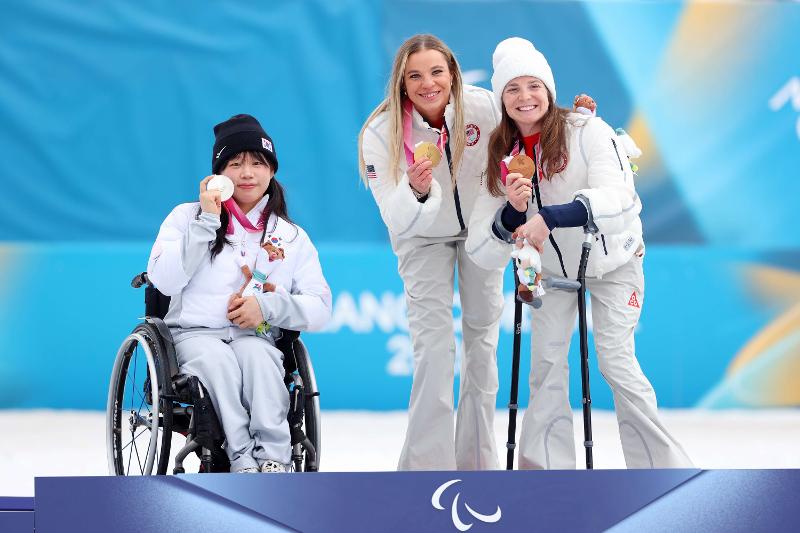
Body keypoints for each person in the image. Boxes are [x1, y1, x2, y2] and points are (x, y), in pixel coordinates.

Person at [466, 37, 693, 469]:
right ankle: (546, 476)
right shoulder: (499, 155)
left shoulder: (587, 131)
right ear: (501, 99)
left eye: (533, 85)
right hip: (549, 273)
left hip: (613, 262)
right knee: (546, 366)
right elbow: (481, 244)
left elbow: (621, 197)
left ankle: (662, 473)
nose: (524, 97)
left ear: (548, 90)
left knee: (616, 362)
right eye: (512, 89)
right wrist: (512, 215)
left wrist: (550, 216)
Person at [147, 114, 332, 473]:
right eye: (235, 163)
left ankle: (273, 461)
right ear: (218, 174)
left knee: (261, 362)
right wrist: (206, 222)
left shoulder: (291, 237)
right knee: (218, 364)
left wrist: (267, 306)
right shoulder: (185, 218)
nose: (247, 173)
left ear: (272, 171)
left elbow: (321, 307)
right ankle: (240, 458)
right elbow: (164, 281)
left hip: (255, 336)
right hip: (195, 336)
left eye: (257, 163)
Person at [358, 34, 504, 470]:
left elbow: (532, 125)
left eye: (437, 72)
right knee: (435, 350)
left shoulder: (484, 108)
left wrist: (579, 119)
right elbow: (394, 217)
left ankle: (477, 463)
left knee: (482, 345)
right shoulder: (380, 133)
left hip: (479, 231)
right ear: (402, 83)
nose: (428, 83)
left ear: (453, 74)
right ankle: (426, 471)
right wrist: (416, 191)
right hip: (419, 235)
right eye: (415, 75)